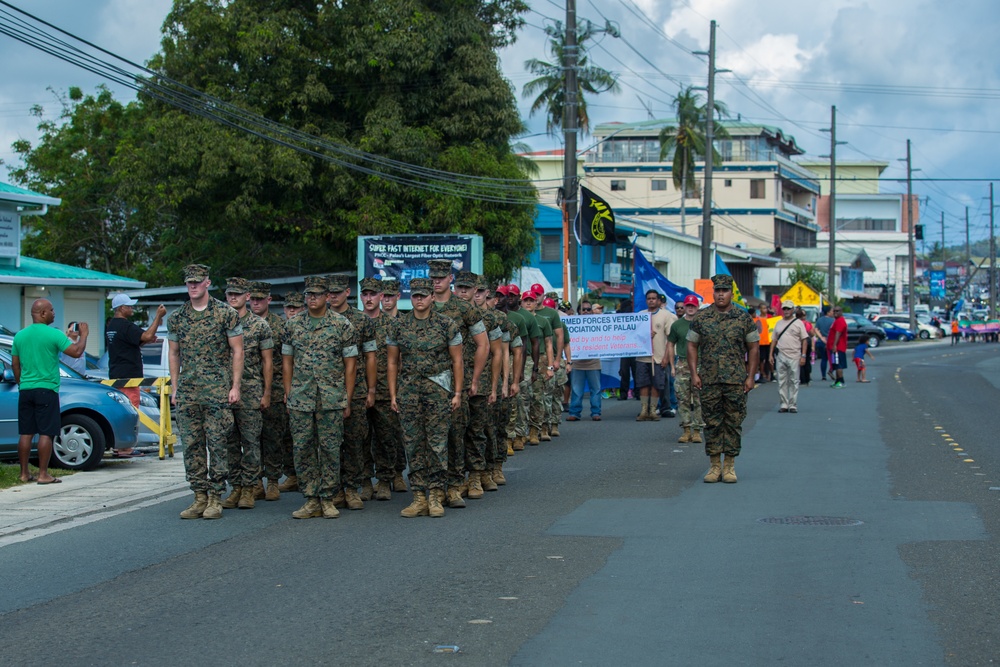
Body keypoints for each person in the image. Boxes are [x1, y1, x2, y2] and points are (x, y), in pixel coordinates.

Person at [168, 264, 244, 520]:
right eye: (189, 282)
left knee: (218, 444)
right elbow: (174, 353)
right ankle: (199, 495)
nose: (193, 286)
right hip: (189, 392)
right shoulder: (177, 317)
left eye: (197, 282)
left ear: (207, 283)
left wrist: (235, 386)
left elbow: (237, 351)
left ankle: (215, 496)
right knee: (191, 446)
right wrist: (175, 387)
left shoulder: (225, 314)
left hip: (217, 392)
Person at [282, 276, 358, 519]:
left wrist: (346, 396)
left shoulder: (342, 324)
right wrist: (289, 393)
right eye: (308, 294)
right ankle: (311, 498)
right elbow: (287, 363)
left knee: (330, 448)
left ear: (327, 297)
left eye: (316, 294)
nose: (311, 298)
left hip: (331, 398)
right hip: (301, 397)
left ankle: (327, 497)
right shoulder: (293, 326)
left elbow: (350, 365)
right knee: (302, 447)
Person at [388, 277, 463, 518]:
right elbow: (392, 361)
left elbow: (457, 361)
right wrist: (393, 394)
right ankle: (418, 496)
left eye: (423, 295)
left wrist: (457, 392)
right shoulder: (399, 325)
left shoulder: (446, 324)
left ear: (432, 297)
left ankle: (435, 495)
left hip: (438, 391)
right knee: (413, 443)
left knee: (437, 443)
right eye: (415, 295)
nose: (419, 299)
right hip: (409, 391)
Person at [687, 274, 759, 484]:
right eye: (717, 291)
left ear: (730, 293)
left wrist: (750, 376)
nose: (720, 294)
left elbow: (753, 348)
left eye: (724, 291)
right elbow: (691, 344)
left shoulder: (743, 318)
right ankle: (714, 465)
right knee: (711, 422)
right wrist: (694, 373)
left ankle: (729, 465)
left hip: (735, 379)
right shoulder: (702, 317)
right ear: (713, 292)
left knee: (733, 422)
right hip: (709, 379)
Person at [428, 259, 488, 508]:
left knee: (458, 433)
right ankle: (436, 486)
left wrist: (474, 379)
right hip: (429, 384)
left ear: (450, 279)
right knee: (431, 437)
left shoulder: (464, 309)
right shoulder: (423, 306)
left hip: (457, 382)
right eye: (433, 278)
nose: (436, 282)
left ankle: (461, 481)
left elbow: (483, 344)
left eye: (441, 277)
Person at [11, 299, 88, 484]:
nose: (54, 313)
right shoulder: (53, 334)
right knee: (46, 432)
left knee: (26, 433)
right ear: (43, 313)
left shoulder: (19, 336)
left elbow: (15, 364)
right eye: (52, 310)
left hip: (26, 390)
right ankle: (43, 474)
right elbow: (76, 352)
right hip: (47, 389)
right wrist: (84, 335)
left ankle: (24, 473)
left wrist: (21, 383)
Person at [221, 278, 273, 510]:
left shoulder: (259, 326)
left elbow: (267, 362)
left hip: (251, 390)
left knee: (251, 442)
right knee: (229, 443)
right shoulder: (219, 322)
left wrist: (267, 392)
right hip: (222, 390)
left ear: (247, 297)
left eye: (238, 294)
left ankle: (251, 487)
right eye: (230, 294)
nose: (233, 298)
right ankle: (236, 487)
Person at [327, 275, 377, 509]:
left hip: (355, 391)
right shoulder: (319, 319)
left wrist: (371, 389)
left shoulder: (361, 321)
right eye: (329, 292)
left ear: (347, 292)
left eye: (337, 292)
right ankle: (335, 488)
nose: (333, 296)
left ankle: (352, 488)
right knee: (330, 443)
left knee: (355, 440)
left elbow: (370, 357)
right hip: (325, 392)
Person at [360, 276, 407, 501]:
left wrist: (396, 391)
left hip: (386, 390)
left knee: (387, 437)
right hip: (359, 390)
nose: (369, 299)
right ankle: (365, 481)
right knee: (360, 438)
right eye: (365, 294)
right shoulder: (354, 323)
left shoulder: (393, 324)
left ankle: (386, 479)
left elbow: (400, 361)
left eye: (373, 294)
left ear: (381, 296)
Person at [105, 293, 167, 456]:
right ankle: (125, 448)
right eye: (129, 306)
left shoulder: (112, 326)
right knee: (131, 411)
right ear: (121, 308)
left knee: (123, 410)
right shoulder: (125, 325)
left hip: (117, 373)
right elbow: (145, 335)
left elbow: (138, 340)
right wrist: (158, 317)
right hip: (129, 376)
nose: (132, 308)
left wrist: (146, 340)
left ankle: (122, 446)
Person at [249, 281, 293, 501]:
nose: (256, 303)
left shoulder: (281, 325)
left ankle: (273, 480)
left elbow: (288, 359)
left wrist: (288, 388)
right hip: (248, 388)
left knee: (274, 437)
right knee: (250, 438)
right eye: (253, 299)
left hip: (274, 388)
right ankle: (255, 481)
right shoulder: (241, 324)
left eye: (260, 299)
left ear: (269, 300)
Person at [667, 294, 703, 443]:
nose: (690, 308)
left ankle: (697, 430)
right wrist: (672, 366)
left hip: (701, 364)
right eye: (687, 306)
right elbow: (670, 344)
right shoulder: (677, 325)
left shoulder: (703, 324)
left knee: (700, 399)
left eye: (692, 306)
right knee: (683, 399)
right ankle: (686, 429)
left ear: (697, 307)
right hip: (682, 363)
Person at [635, 289, 676, 421]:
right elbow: (633, 336)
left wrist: (666, 358)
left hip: (658, 357)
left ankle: (653, 410)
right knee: (643, 384)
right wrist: (645, 334)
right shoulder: (640, 315)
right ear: (646, 300)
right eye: (649, 298)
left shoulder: (666, 315)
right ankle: (643, 410)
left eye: (654, 298)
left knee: (656, 385)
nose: (651, 300)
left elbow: (670, 339)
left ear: (658, 301)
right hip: (643, 357)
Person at [769, 300, 809, 413]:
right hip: (781, 354)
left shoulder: (798, 323)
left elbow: (804, 340)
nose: (786, 311)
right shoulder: (778, 323)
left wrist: (803, 355)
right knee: (781, 380)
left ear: (793, 310)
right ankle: (783, 404)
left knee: (794, 380)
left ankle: (792, 404)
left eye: (788, 309)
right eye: (784, 309)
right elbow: (774, 340)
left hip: (794, 355)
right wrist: (770, 354)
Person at [567, 306, 603, 421]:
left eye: (588, 309)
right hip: (577, 363)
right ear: (579, 311)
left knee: (596, 389)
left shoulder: (599, 323)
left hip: (594, 363)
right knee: (576, 390)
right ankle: (574, 412)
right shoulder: (572, 323)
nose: (586, 311)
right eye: (583, 309)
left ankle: (596, 412)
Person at [827, 306, 849, 388]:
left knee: (838, 364)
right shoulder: (836, 320)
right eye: (834, 311)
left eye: (837, 311)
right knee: (835, 364)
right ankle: (837, 381)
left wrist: (834, 345)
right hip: (834, 347)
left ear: (841, 311)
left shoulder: (840, 321)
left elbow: (838, 333)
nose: (835, 312)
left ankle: (841, 381)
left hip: (838, 347)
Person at [815, 306, 835, 381]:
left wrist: (821, 337)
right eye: (832, 311)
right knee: (833, 358)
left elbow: (816, 329)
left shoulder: (819, 320)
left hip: (821, 342)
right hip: (830, 342)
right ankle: (831, 371)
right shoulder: (833, 320)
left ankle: (823, 375)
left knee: (824, 359)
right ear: (828, 312)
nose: (833, 313)